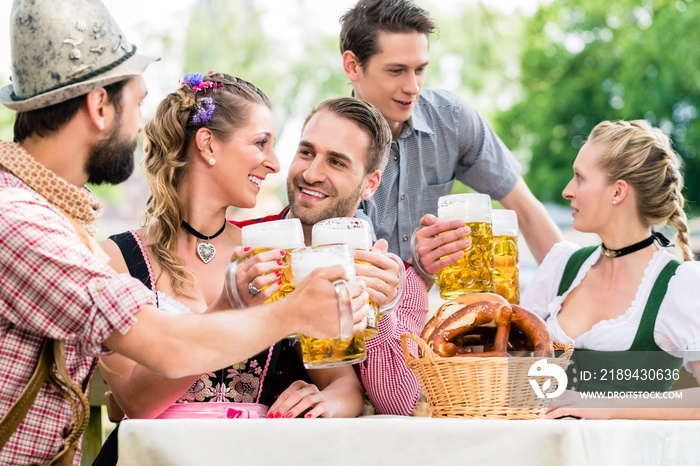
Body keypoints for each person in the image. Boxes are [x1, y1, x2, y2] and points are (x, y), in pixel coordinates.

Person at [0, 2, 366, 464]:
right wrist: (285, 312)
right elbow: (161, 356)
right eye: (135, 104)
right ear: (98, 106)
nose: (141, 126)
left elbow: (338, 375)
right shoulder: (26, 223)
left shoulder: (54, 220)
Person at [338, 0, 563, 280]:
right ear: (353, 66)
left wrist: (577, 296)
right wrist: (419, 263)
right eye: (396, 71)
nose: (412, 88)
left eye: (419, 69)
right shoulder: (330, 147)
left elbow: (527, 211)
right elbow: (360, 274)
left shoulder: (452, 120)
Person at [233, 97, 430, 415]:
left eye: (336, 162)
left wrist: (380, 311)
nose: (310, 174)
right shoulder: (240, 244)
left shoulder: (400, 280)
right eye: (306, 152)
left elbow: (398, 404)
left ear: (370, 184)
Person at [520, 120, 700, 420]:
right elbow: (507, 370)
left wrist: (609, 405)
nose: (567, 191)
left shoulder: (680, 286)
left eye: (580, 178)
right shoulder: (562, 265)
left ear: (618, 192)